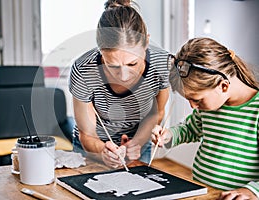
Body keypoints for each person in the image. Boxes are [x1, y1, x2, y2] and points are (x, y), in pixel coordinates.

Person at [152, 37, 259, 200]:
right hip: (204, 194)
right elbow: (190, 130)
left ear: (224, 86)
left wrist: (252, 191)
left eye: (197, 99)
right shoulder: (211, 106)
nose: (193, 106)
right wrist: (168, 136)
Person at [69, 0, 170, 168]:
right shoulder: (84, 70)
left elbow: (156, 113)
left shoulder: (162, 65)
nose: (123, 77)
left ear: (146, 43)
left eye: (132, 64)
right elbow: (87, 135)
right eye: (113, 66)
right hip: (92, 148)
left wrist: (136, 142)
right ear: (100, 50)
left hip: (138, 144)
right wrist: (103, 151)